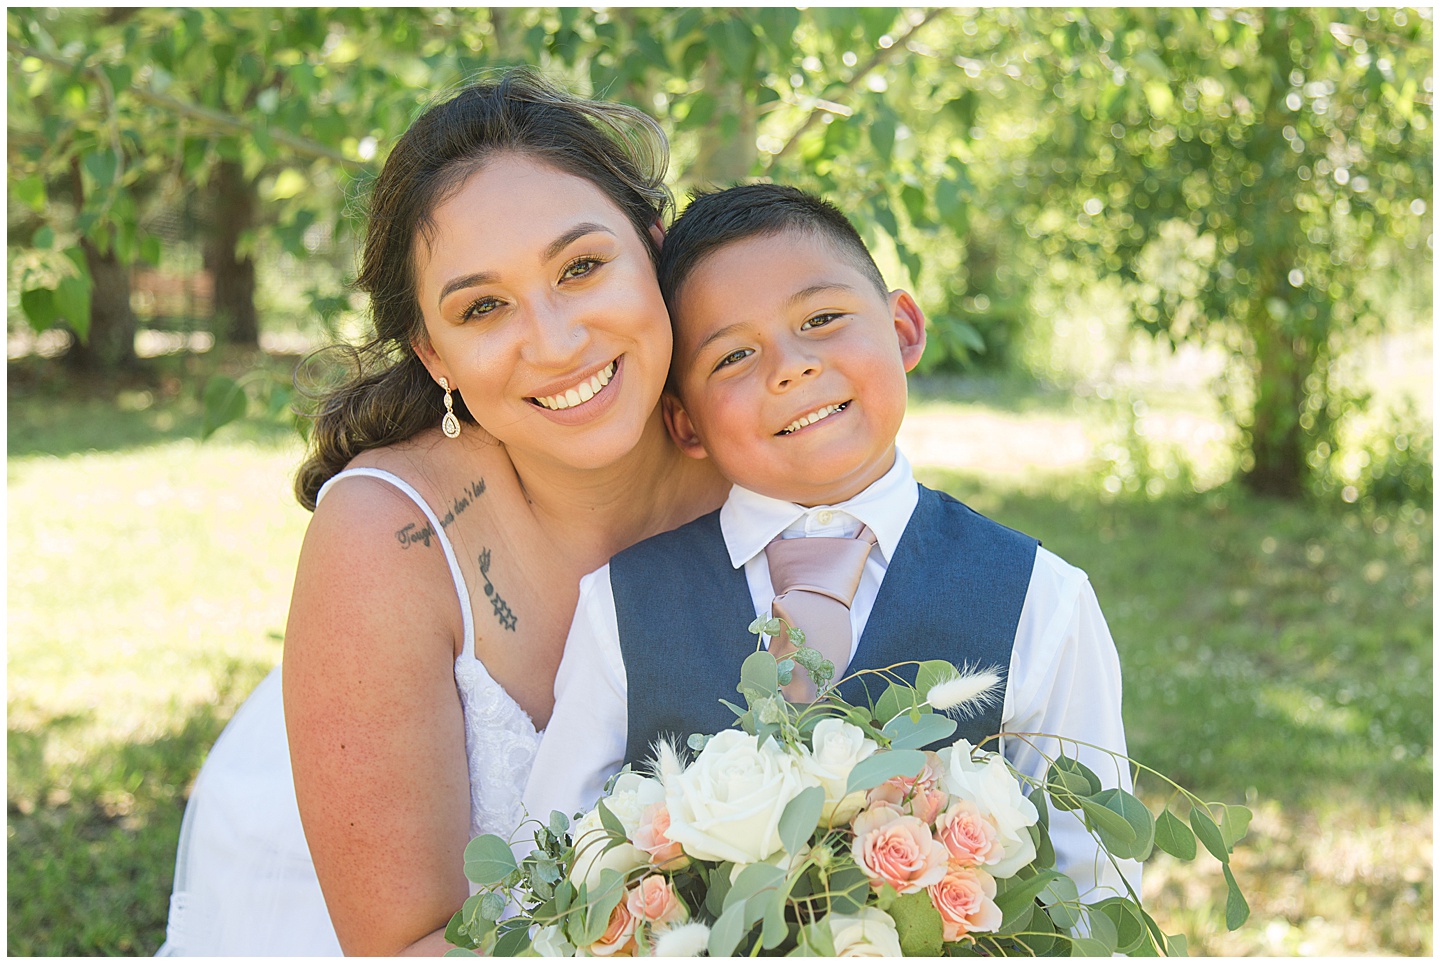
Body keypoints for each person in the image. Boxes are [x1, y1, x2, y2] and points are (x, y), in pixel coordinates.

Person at [158, 70, 728, 956]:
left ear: (653, 247)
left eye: (581, 266)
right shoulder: (388, 539)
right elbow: (402, 945)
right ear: (435, 354)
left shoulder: (771, 458)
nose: (555, 340)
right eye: (483, 307)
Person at [524, 183, 1140, 900]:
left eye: (821, 318)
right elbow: (558, 868)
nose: (791, 366)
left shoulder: (1042, 598)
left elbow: (1095, 890)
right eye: (732, 357)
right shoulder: (622, 607)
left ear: (904, 328)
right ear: (683, 422)